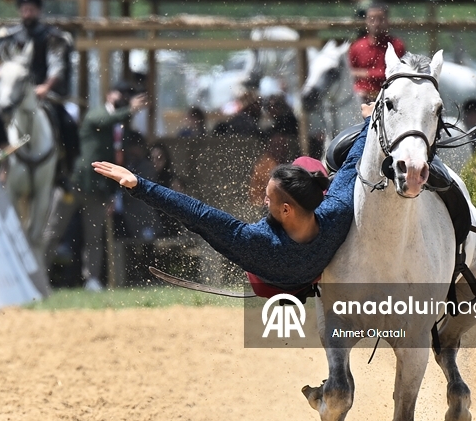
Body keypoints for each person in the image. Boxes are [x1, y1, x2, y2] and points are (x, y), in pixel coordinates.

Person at [91, 119, 370, 293]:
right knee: (313, 166)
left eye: (268, 198)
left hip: (268, 285)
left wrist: (138, 185)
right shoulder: (336, 213)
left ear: (286, 209)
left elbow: (197, 213)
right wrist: (370, 122)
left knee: (305, 165)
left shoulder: (255, 242)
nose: (263, 200)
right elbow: (352, 165)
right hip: (318, 268)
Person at [0, 0, 79, 184]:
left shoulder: (53, 36)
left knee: (68, 124)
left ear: (38, 11)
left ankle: (66, 170)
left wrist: (45, 87)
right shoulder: (8, 36)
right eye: (24, 8)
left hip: (45, 96)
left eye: (31, 8)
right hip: (14, 96)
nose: (28, 12)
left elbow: (56, 65)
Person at [73, 82, 148, 291]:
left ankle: (92, 280)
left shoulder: (122, 123)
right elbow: (103, 120)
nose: (123, 97)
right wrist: (130, 109)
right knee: (53, 230)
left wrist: (114, 192)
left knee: (93, 236)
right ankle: (38, 276)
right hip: (77, 184)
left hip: (99, 188)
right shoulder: (97, 113)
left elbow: (119, 159)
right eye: (120, 93)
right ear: (108, 94)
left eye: (127, 95)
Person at [348, 3, 406, 113]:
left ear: (387, 21)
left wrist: (365, 73)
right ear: (366, 21)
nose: (376, 23)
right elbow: (348, 74)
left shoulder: (396, 45)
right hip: (359, 101)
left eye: (380, 19)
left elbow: (396, 74)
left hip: (388, 101)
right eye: (372, 19)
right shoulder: (357, 46)